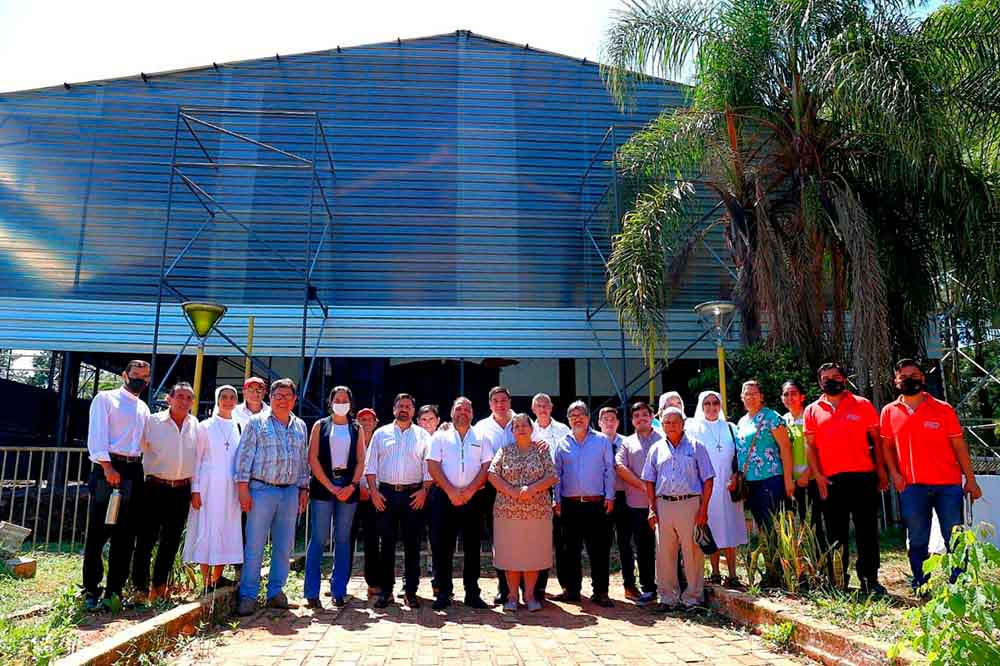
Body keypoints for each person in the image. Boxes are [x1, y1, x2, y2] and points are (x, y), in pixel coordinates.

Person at [879, 359, 983, 593]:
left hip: (948, 486)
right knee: (917, 540)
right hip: (913, 487)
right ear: (896, 382)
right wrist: (894, 474)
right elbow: (886, 447)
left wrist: (971, 480)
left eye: (914, 375)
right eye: (903, 376)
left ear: (923, 378)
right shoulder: (889, 412)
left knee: (954, 538)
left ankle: (960, 587)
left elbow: (959, 446)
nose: (909, 379)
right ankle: (921, 584)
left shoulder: (943, 409)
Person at [804, 362, 888, 595]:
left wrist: (881, 471)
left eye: (836, 376)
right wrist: (818, 476)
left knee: (867, 531)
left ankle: (870, 579)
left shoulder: (863, 405)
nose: (831, 380)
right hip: (831, 482)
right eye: (826, 377)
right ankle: (838, 579)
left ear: (844, 378)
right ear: (820, 382)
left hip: (863, 477)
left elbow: (877, 441)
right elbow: (810, 447)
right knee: (835, 534)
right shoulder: (812, 410)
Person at [235, 378, 310, 616]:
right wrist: (243, 489)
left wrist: (303, 489)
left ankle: (275, 591)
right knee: (255, 544)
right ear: (271, 397)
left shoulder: (300, 426)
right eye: (278, 395)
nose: (282, 399)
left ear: (294, 400)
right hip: (261, 490)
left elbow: (302, 462)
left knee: (284, 546)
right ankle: (248, 595)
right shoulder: (256, 423)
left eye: (287, 395)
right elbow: (244, 458)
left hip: (289, 492)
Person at [82, 359, 151, 611]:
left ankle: (115, 590)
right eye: (136, 375)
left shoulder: (143, 407)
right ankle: (90, 588)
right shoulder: (105, 399)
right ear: (125, 375)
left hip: (134, 469)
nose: (140, 380)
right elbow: (97, 435)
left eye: (145, 377)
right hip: (108, 468)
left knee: (126, 533)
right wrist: (107, 467)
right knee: (99, 531)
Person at [642, 407, 715, 612]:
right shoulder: (656, 448)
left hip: (690, 503)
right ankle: (668, 598)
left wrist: (703, 509)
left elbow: (708, 479)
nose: (671, 426)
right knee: (664, 553)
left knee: (692, 552)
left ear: (683, 424)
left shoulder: (696, 446)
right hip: (663, 504)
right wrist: (651, 508)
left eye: (675, 422)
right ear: (662, 425)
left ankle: (693, 597)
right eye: (666, 422)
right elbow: (649, 480)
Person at [364, 393, 433, 609]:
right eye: (400, 406)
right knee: (387, 545)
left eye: (408, 406)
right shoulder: (380, 433)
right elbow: (371, 466)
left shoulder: (423, 436)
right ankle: (386, 591)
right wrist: (374, 493)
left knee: (413, 546)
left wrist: (424, 491)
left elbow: (428, 468)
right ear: (394, 409)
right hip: (386, 495)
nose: (404, 409)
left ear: (414, 411)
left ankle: (411, 591)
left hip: (414, 496)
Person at [133, 382, 199, 604]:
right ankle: (139, 589)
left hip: (181, 490)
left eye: (189, 397)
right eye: (179, 396)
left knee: (170, 542)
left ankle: (160, 588)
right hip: (155, 487)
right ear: (169, 399)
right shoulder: (152, 421)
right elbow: (139, 446)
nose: (184, 401)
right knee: (146, 539)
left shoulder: (195, 425)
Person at [303, 386, 368, 609]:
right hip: (323, 486)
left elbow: (361, 459)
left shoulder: (356, 427)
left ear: (350, 403)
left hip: (348, 487)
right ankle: (311, 592)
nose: (341, 402)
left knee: (343, 539)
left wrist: (352, 485)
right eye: (337, 399)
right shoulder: (320, 425)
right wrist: (330, 485)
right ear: (330, 402)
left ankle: (339, 589)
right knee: (319, 539)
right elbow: (312, 458)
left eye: (345, 399)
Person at [426, 397, 492, 610]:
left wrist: (470, 490)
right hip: (444, 498)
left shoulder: (482, 437)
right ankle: (444, 593)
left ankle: (472, 593)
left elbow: (486, 467)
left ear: (472, 413)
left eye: (467, 409)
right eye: (458, 408)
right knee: (442, 548)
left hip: (474, 498)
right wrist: (451, 491)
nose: (463, 412)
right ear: (452, 412)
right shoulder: (440, 436)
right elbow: (433, 465)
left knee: (473, 548)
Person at [489, 413, 558, 612]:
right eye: (516, 426)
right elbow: (492, 474)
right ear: (512, 431)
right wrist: (511, 491)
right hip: (507, 512)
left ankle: (529, 595)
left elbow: (552, 475)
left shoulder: (542, 450)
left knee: (531, 553)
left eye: (524, 425)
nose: (520, 429)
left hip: (536, 512)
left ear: (531, 428)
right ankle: (511, 595)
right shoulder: (504, 450)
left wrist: (533, 489)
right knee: (511, 554)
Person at [553, 400, 616, 608]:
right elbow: (557, 475)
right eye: (572, 415)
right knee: (570, 550)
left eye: (581, 414)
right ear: (568, 419)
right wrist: (557, 499)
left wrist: (610, 497)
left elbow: (609, 470)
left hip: (596, 504)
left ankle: (601, 592)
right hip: (569, 505)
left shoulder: (602, 441)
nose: (577, 418)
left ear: (588, 417)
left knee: (598, 550)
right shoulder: (562, 443)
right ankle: (572, 591)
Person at [183, 385, 244, 591]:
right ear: (217, 400)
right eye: (224, 397)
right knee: (207, 529)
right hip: (208, 486)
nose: (228, 401)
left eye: (232, 397)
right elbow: (197, 460)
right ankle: (205, 579)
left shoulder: (238, 426)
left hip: (231, 488)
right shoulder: (205, 426)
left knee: (227, 529)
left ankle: (216, 579)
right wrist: (196, 489)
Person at [686, 391, 747, 587]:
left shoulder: (730, 427)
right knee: (711, 528)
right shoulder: (694, 429)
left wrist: (736, 475)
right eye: (707, 404)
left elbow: (741, 454)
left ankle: (732, 574)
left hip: (729, 487)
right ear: (701, 406)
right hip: (707, 488)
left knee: (730, 529)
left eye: (715, 403)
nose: (711, 407)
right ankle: (714, 572)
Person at [614, 401, 661, 605]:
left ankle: (672, 587)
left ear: (652, 417)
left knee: (667, 547)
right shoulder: (628, 442)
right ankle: (649, 588)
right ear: (632, 421)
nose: (641, 418)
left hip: (663, 502)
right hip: (637, 503)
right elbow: (619, 465)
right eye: (637, 416)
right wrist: (643, 486)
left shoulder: (664, 438)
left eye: (644, 414)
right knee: (643, 547)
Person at [733, 380, 794, 531]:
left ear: (761, 396)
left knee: (775, 526)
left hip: (771, 479)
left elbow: (785, 448)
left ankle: (780, 555)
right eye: (747, 393)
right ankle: (769, 554)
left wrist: (788, 481)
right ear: (742, 397)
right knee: (762, 527)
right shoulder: (742, 421)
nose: (750, 397)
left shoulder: (771, 417)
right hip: (750, 482)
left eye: (754, 393)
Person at [473, 386, 515, 605]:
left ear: (510, 401)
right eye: (496, 401)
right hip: (491, 489)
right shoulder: (481, 427)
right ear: (490, 404)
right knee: (498, 538)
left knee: (519, 538)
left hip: (520, 490)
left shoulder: (522, 422)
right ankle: (503, 586)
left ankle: (524, 586)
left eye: (504, 400)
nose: (500, 404)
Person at [531, 393, 571, 599]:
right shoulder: (528, 429)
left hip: (561, 489)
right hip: (538, 492)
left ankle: (567, 587)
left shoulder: (564, 429)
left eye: (546, 405)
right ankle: (538, 588)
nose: (542, 408)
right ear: (533, 409)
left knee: (562, 541)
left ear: (552, 407)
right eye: (538, 405)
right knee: (540, 541)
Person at [781, 380, 827, 548]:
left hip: (812, 479)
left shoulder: (811, 416)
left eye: (793, 393)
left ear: (802, 397)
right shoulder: (782, 421)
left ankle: (823, 568)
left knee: (815, 527)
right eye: (786, 394)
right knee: (796, 529)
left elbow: (820, 449)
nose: (789, 397)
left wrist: (808, 474)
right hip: (792, 484)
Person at [599, 406, 638, 601]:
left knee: (625, 543)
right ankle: (601, 588)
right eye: (605, 419)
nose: (609, 422)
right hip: (602, 498)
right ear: (599, 423)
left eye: (612, 419)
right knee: (602, 544)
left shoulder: (627, 443)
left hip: (623, 497)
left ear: (618, 422)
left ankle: (630, 585)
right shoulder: (594, 443)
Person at [350, 407, 381, 599]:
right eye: (362, 419)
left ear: (376, 422)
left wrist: (373, 492)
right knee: (345, 539)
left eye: (370, 419)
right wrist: (358, 488)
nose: (366, 422)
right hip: (353, 495)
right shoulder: (351, 440)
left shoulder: (381, 441)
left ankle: (373, 582)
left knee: (372, 541)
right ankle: (340, 582)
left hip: (373, 497)